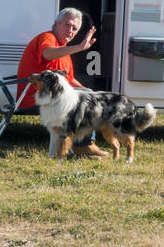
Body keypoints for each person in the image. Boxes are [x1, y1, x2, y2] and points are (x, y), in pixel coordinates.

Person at [16, 8, 106, 158]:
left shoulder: (64, 50)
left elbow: (69, 80)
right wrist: (79, 48)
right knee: (84, 100)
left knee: (89, 95)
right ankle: (84, 146)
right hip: (35, 97)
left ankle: (82, 145)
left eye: (74, 28)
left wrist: (90, 92)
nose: (70, 31)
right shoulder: (48, 38)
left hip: (53, 99)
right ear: (56, 24)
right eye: (67, 25)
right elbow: (47, 53)